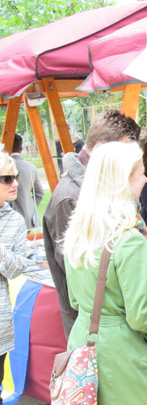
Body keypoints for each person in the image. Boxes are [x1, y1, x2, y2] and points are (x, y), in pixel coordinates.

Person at [63, 142, 147, 404]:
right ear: (122, 182)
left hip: (84, 341)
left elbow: (77, 299)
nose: (145, 179)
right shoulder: (128, 239)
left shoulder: (78, 230)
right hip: (121, 356)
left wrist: (134, 280)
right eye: (140, 173)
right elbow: (142, 317)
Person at [43, 109, 147, 338]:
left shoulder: (103, 193)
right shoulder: (70, 197)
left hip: (110, 325)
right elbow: (82, 277)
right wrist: (136, 275)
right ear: (101, 153)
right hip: (97, 331)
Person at [0, 149, 27, 404]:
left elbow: (17, 267)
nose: (15, 183)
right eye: (7, 178)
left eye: (15, 176)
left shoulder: (15, 221)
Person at [9, 134, 44, 230]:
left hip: (9, 220)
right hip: (29, 218)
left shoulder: (5, 166)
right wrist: (30, 207)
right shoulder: (31, 167)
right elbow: (40, 193)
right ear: (21, 149)